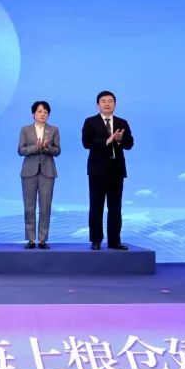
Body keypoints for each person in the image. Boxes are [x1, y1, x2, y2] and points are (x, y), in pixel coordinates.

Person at [81, 90, 135, 250]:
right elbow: (86, 143)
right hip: (97, 170)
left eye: (110, 101)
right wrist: (107, 140)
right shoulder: (90, 122)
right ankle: (96, 240)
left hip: (116, 170)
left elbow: (130, 144)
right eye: (103, 101)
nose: (107, 104)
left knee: (115, 207)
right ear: (98, 105)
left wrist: (120, 140)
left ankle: (114, 241)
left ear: (115, 104)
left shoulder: (122, 122)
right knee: (96, 205)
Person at [18, 100, 61, 249]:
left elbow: (57, 151)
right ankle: (30, 239)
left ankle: (42, 239)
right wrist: (35, 148)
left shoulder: (54, 130)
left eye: (45, 112)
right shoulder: (25, 129)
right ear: (33, 114)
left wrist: (47, 147)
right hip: (29, 172)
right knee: (29, 207)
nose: (42, 114)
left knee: (45, 207)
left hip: (47, 172)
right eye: (39, 111)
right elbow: (21, 150)